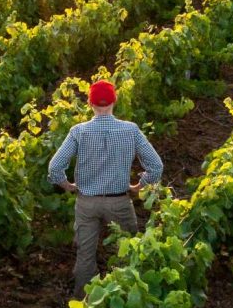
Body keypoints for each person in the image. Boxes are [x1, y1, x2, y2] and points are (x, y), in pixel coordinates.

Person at [47, 78, 164, 296]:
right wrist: (139, 186)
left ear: (90, 103)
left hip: (86, 203)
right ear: (114, 102)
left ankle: (83, 306)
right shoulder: (130, 130)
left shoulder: (79, 131)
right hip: (119, 202)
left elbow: (55, 166)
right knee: (125, 252)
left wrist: (67, 185)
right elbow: (156, 166)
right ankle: (121, 300)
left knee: (85, 256)